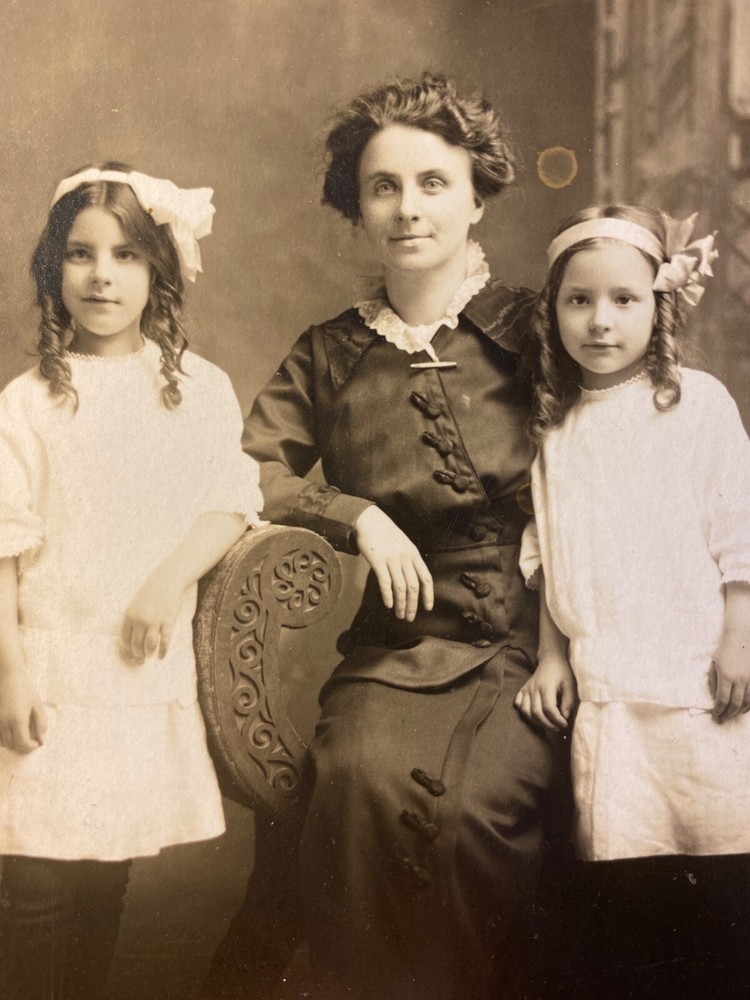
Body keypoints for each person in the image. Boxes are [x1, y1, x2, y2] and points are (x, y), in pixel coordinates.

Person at [207, 73, 568, 1000]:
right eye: (384, 188)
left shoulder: (538, 328)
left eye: (433, 183)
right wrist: (355, 514)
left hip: (534, 642)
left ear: (477, 197)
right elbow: (247, 469)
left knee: (476, 815)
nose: (408, 208)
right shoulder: (331, 354)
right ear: (358, 209)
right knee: (353, 778)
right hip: (395, 647)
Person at [0, 163, 263, 1000]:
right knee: (35, 884)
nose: (102, 276)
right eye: (81, 254)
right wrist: (9, 674)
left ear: (159, 269)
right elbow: (2, 547)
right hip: (44, 671)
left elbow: (231, 501)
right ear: (55, 269)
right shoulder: (28, 403)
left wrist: (165, 582)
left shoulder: (197, 391)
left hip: (132, 672)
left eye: (126, 255)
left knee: (100, 876)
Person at [515, 204, 750, 998]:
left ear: (660, 304)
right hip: (610, 694)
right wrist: (551, 655)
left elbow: (739, 525)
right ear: (553, 312)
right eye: (578, 300)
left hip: (700, 683)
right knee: (630, 883)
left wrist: (740, 636)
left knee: (721, 865)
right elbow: (550, 553)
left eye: (624, 299)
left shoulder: (696, 403)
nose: (600, 321)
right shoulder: (557, 429)